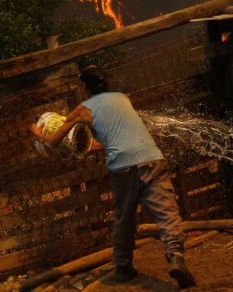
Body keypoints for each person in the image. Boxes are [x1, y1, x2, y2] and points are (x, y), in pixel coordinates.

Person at [31, 65, 197, 288]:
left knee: (124, 217)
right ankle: (175, 255)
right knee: (167, 212)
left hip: (124, 168)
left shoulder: (82, 109)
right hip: (152, 158)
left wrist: (36, 132)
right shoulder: (123, 98)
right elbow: (117, 137)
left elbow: (53, 142)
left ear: (83, 86)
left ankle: (123, 267)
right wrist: (88, 146)